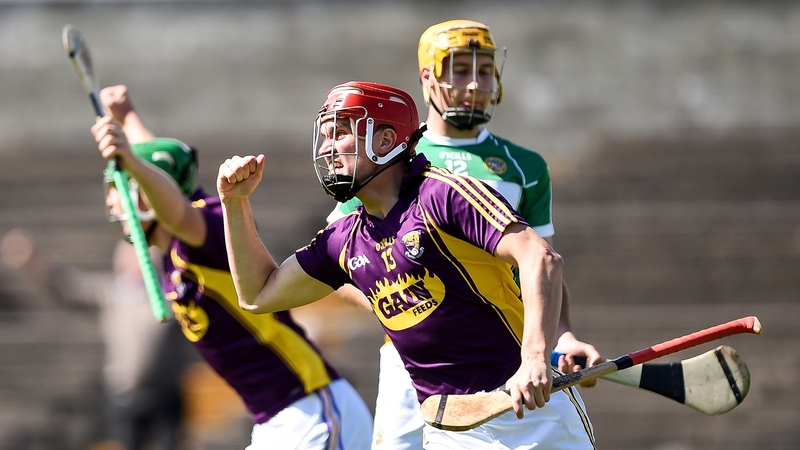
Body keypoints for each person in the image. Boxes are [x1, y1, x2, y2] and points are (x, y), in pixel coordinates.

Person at [217, 81, 595, 449]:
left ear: (385, 141)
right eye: (326, 135)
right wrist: (234, 203)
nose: (327, 148)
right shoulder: (343, 239)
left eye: (341, 133)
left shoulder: (443, 194)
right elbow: (258, 294)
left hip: (530, 413)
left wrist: (535, 358)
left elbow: (541, 258)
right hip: (450, 427)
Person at [326, 20, 602, 448]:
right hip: (408, 357)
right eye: (459, 70)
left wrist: (560, 336)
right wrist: (403, 309)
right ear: (427, 77)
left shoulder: (524, 166)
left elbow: (542, 263)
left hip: (497, 350)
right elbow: (338, 263)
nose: (474, 84)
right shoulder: (390, 160)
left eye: (485, 70)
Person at [90, 85, 373, 450]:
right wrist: (128, 116)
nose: (112, 202)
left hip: (308, 407)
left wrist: (130, 159)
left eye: (120, 188)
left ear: (148, 195)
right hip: (275, 419)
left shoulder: (206, 226)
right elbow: (164, 166)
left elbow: (173, 206)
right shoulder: (172, 248)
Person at [1, 231, 195, 450]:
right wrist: (34, 263)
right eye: (130, 255)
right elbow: (69, 287)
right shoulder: (112, 293)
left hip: (165, 395)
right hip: (124, 394)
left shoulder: (170, 295)